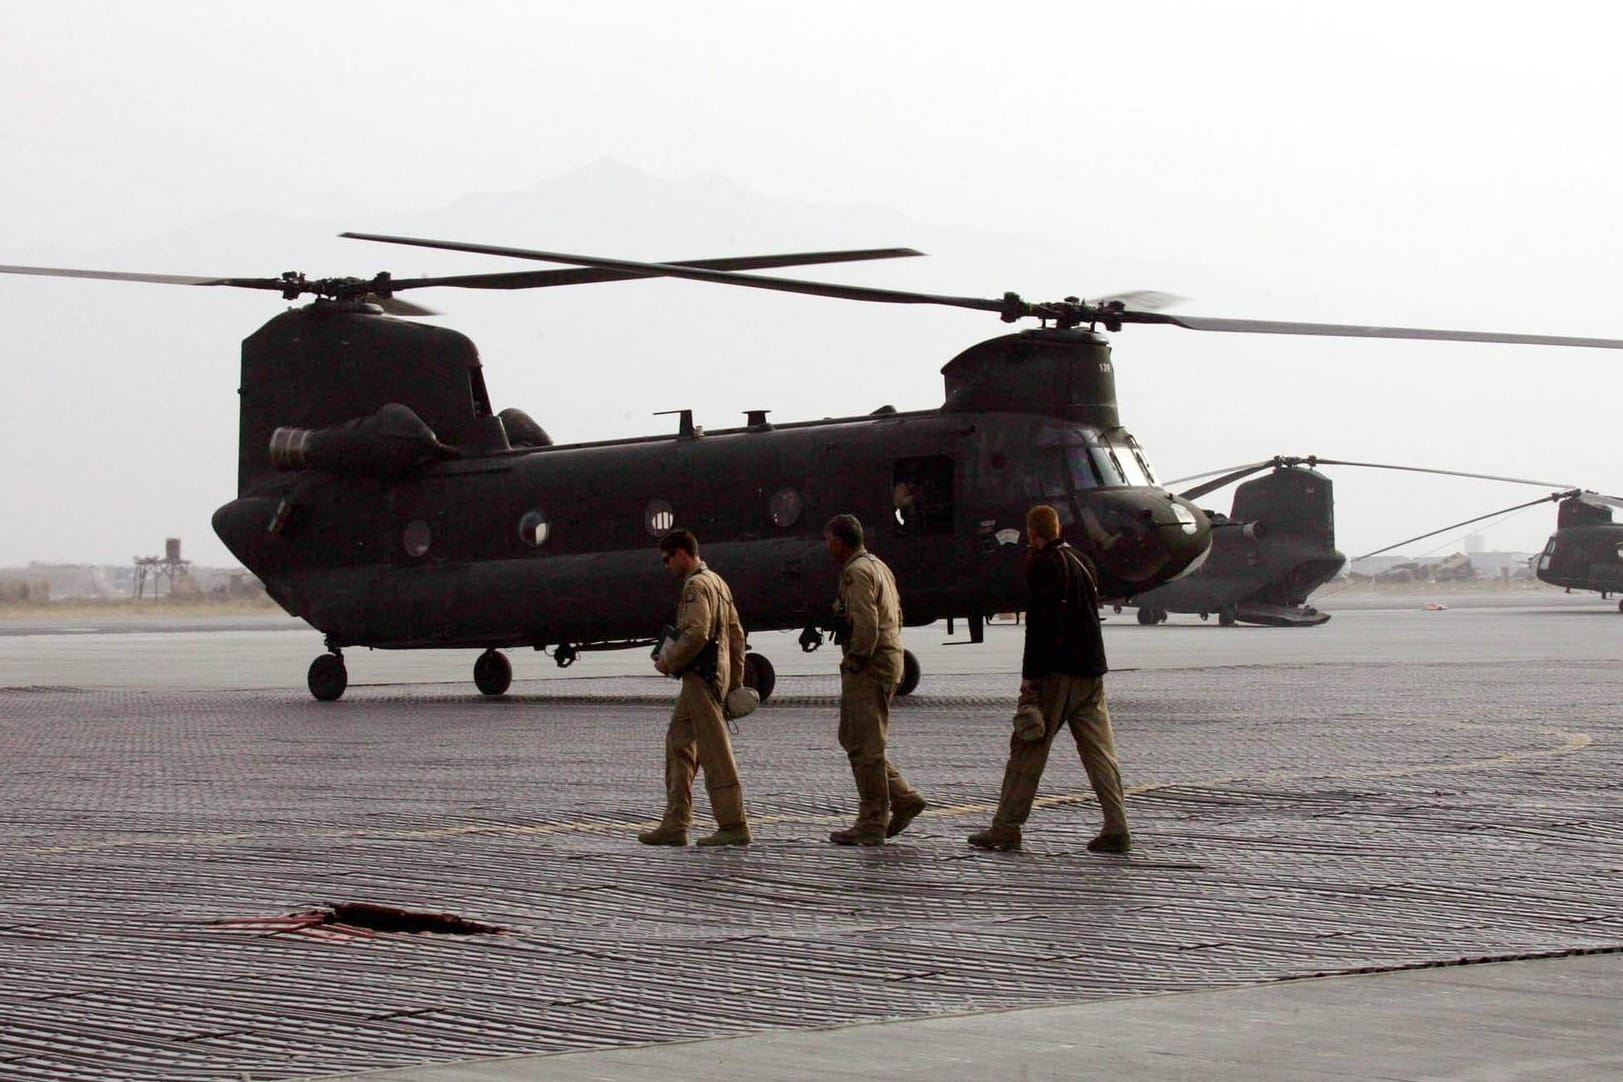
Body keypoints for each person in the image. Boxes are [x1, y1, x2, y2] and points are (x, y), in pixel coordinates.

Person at [968, 504, 1131, 854]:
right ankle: (1117, 826)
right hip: (1092, 672)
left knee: (1027, 748)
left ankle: (1006, 828)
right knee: (1100, 753)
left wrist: (1030, 678)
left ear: (1032, 533)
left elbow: (1039, 626)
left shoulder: (1042, 564)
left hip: (1057, 673)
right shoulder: (1083, 561)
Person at [639, 529, 752, 847]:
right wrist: (736, 682)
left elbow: (697, 633)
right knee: (679, 744)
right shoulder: (718, 583)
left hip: (701, 677)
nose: (666, 566)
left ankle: (733, 824)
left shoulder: (696, 586)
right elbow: (737, 636)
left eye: (667, 558)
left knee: (715, 752)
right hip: (712, 677)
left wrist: (668, 661)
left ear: (682, 554)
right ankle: (676, 823)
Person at [823, 513, 927, 846]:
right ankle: (903, 797)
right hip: (889, 656)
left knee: (865, 745)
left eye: (829, 540)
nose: (827, 547)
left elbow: (865, 624)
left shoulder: (856, 572)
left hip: (870, 664)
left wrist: (855, 660)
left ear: (839, 541)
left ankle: (872, 820)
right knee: (856, 737)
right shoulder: (878, 565)